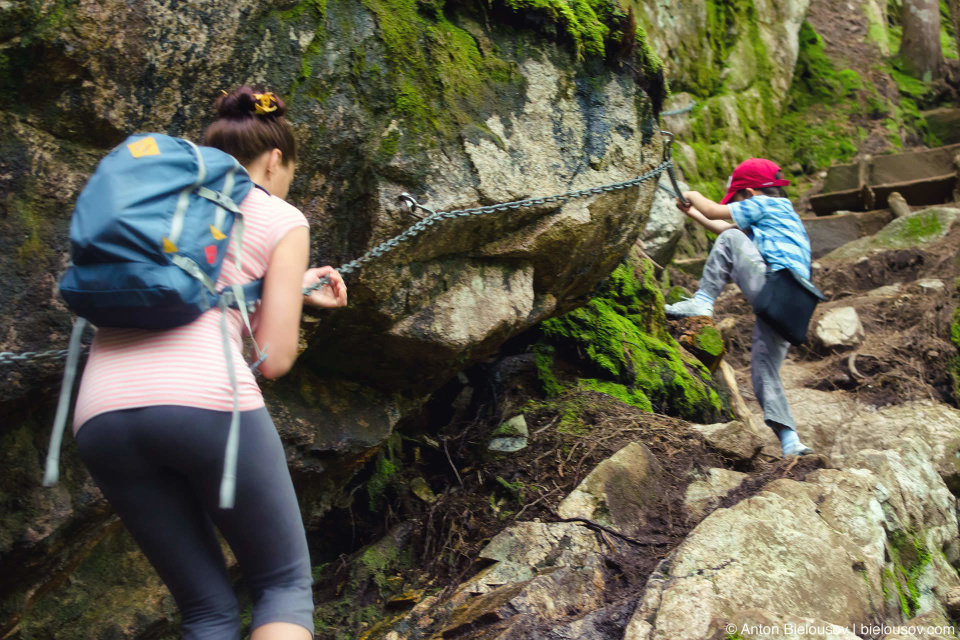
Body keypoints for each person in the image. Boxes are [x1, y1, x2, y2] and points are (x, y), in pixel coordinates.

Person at [71, 87, 347, 640]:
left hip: (99, 415)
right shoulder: (282, 216)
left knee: (206, 610)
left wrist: (285, 287)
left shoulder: (159, 208)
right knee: (284, 588)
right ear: (274, 160)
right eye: (290, 169)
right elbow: (275, 360)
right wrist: (286, 304)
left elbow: (202, 285)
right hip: (205, 402)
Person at [664, 158, 814, 458]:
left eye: (736, 200)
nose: (736, 205)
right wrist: (693, 213)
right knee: (763, 370)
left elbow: (717, 216)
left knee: (731, 238)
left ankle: (703, 302)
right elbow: (721, 224)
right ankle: (791, 441)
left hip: (775, 285)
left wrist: (691, 195)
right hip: (795, 304)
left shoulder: (765, 204)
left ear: (748, 193)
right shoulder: (781, 218)